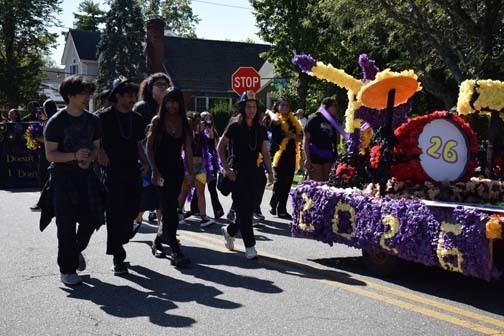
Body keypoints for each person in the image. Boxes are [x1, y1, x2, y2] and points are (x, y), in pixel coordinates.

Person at [43, 75, 102, 286]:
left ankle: (75, 251)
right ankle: (67, 270)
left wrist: (90, 159)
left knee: (91, 220)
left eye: (89, 93)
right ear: (70, 95)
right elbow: (50, 154)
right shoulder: (56, 122)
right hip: (62, 180)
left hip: (86, 178)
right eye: (82, 93)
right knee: (65, 226)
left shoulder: (93, 120)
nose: (87, 97)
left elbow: (96, 147)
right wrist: (74, 156)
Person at [97, 76, 149, 275]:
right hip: (112, 170)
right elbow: (95, 141)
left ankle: (122, 238)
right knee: (114, 213)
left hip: (131, 169)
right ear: (117, 96)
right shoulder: (103, 117)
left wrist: (145, 161)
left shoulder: (136, 119)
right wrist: (100, 151)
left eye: (133, 95)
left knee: (133, 208)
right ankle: (118, 257)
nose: (131, 99)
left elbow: (137, 144)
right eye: (128, 95)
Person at [217, 90, 274, 259]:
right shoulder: (234, 124)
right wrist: (227, 169)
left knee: (249, 210)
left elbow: (265, 150)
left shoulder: (261, 127)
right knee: (243, 208)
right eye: (248, 107)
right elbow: (220, 147)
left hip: (256, 173)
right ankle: (250, 246)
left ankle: (230, 230)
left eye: (254, 106)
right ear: (242, 108)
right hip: (238, 172)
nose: (251, 110)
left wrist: (270, 172)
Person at [147, 87, 194, 266]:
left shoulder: (186, 122)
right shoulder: (158, 121)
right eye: (168, 101)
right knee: (169, 209)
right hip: (160, 170)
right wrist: (154, 170)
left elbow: (188, 149)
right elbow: (149, 148)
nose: (172, 105)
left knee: (170, 207)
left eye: (175, 101)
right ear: (164, 103)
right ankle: (175, 249)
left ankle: (158, 241)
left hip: (176, 170)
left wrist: (190, 172)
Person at [134, 73, 171, 223]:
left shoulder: (170, 108)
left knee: (163, 197)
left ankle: (164, 232)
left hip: (164, 158)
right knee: (146, 195)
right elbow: (136, 138)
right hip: (145, 159)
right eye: (159, 84)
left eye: (166, 84)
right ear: (150, 88)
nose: (163, 87)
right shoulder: (142, 107)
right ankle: (136, 222)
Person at [266, 98, 303, 220]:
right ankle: (273, 203)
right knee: (279, 182)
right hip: (278, 154)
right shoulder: (274, 119)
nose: (285, 106)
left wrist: (292, 136)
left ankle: (282, 209)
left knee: (287, 183)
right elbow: (276, 122)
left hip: (291, 155)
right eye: (282, 105)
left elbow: (300, 137)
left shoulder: (293, 121)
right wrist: (268, 111)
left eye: (287, 104)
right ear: (277, 107)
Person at [178, 112, 215, 227]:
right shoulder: (186, 135)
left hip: (200, 167)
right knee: (185, 190)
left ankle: (203, 217)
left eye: (201, 121)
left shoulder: (203, 135)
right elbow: (181, 150)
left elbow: (211, 146)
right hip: (188, 165)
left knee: (201, 192)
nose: (201, 123)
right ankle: (178, 213)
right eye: (198, 121)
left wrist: (210, 132)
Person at [303, 97, 343, 181]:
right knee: (317, 184)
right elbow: (306, 140)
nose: (336, 108)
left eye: (336, 106)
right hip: (314, 155)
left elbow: (337, 141)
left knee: (327, 183)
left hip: (328, 155)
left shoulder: (332, 122)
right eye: (333, 106)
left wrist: (337, 128)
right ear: (326, 107)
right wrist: (307, 158)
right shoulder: (314, 119)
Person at [30, 99, 59, 212]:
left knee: (44, 178)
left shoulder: (50, 121)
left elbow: (47, 140)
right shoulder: (58, 118)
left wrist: (36, 137)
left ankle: (43, 203)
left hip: (48, 153)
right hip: (56, 153)